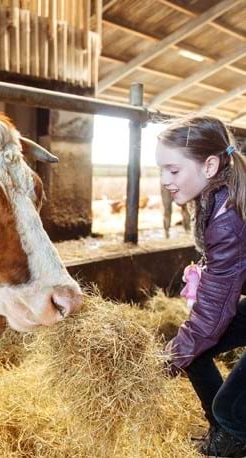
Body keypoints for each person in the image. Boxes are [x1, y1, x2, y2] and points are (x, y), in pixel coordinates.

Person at [155, 116, 246, 458]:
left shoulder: (229, 216)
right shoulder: (214, 196)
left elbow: (214, 313)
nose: (165, 180)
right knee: (194, 351)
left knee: (232, 408)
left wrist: (167, 359)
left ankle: (235, 434)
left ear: (209, 165)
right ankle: (225, 436)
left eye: (173, 170)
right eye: (161, 170)